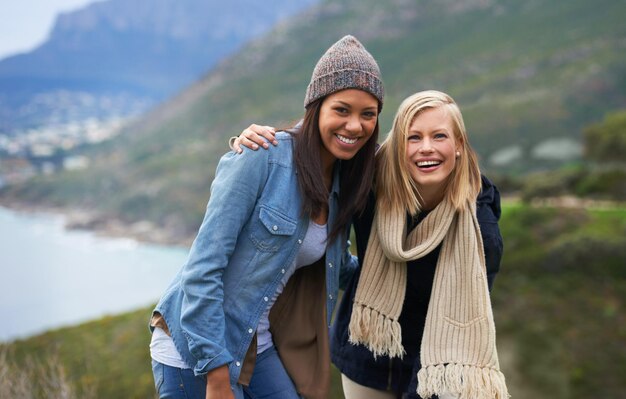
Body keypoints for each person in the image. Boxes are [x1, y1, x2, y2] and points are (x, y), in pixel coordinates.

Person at [148, 35, 384, 399]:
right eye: (342, 110)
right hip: (194, 348)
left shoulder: (343, 182)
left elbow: (340, 266)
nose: (355, 126)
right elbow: (201, 270)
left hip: (255, 342)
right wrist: (215, 374)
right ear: (316, 107)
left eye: (368, 114)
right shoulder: (262, 156)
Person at [232, 90, 508, 399]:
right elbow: (319, 152)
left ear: (458, 145)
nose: (426, 148)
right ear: (397, 146)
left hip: (438, 363)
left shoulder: (479, 229)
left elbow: (463, 324)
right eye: (413, 137)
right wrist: (263, 145)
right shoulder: (371, 181)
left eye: (439, 136)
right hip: (366, 351)